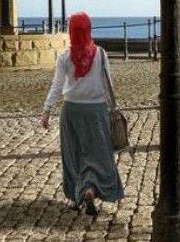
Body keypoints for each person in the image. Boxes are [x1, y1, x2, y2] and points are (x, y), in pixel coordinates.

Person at [40, 12, 124, 216]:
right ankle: (91, 189)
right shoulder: (101, 54)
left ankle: (81, 191)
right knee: (98, 154)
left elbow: (57, 86)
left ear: (70, 31)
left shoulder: (64, 57)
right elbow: (108, 86)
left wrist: (47, 110)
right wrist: (114, 109)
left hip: (71, 111)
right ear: (89, 30)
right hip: (96, 111)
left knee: (74, 154)